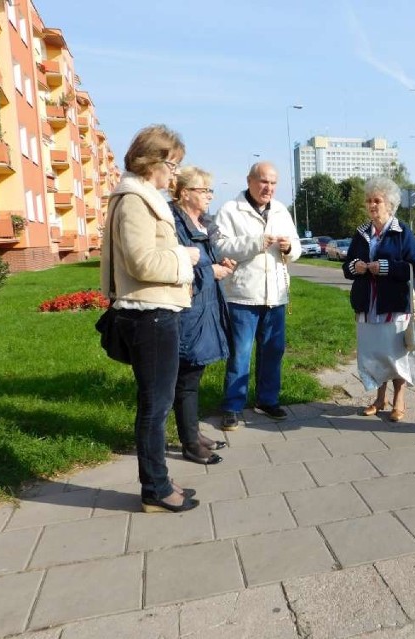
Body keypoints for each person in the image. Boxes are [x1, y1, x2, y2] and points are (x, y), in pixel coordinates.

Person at [100, 124, 199, 513]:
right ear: (153, 161)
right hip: (149, 315)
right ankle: (155, 490)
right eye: (173, 165)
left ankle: (157, 480)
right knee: (155, 406)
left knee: (156, 402)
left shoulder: (141, 198)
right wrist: (184, 258)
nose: (174, 174)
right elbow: (141, 262)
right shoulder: (134, 202)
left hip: (156, 312)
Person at [213, 162, 301, 430]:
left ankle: (267, 400)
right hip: (243, 295)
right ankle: (232, 406)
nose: (269, 188)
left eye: (273, 183)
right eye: (264, 182)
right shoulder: (230, 210)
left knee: (273, 351)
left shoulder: (281, 211)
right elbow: (219, 246)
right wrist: (256, 241)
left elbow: (296, 247)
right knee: (240, 353)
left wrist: (288, 248)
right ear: (250, 180)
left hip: (276, 295)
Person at [343, 177, 415, 422]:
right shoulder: (361, 233)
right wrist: (356, 267)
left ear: (390, 205)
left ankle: (399, 399)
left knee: (395, 354)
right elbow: (346, 267)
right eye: (369, 200)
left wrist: (385, 267)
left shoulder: (403, 232)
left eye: (377, 201)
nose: (372, 205)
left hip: (394, 305)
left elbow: (414, 267)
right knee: (374, 354)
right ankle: (379, 399)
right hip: (366, 306)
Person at [169, 166, 235, 464]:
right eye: (203, 190)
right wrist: (213, 271)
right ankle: (189, 443)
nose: (209, 195)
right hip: (188, 311)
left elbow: (201, 261)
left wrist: (218, 263)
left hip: (204, 308)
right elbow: (176, 267)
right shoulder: (173, 222)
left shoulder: (200, 222)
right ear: (185, 193)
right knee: (186, 377)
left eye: (210, 190)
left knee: (193, 376)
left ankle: (193, 433)